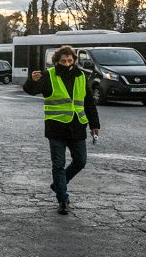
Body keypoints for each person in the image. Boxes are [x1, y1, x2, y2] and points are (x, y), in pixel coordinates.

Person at [23, 45, 100, 215]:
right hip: (56, 127)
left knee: (80, 161)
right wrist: (32, 80)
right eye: (63, 61)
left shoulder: (81, 76)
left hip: (77, 126)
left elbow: (88, 102)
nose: (67, 63)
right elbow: (31, 90)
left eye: (70, 60)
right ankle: (63, 199)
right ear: (57, 61)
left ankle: (58, 184)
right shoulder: (48, 75)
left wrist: (95, 125)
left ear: (74, 61)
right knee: (58, 165)